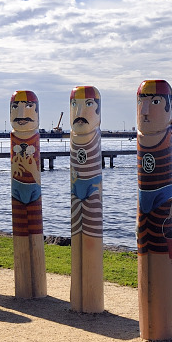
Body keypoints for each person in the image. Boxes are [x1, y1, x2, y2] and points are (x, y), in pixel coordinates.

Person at [136, 80, 172, 339]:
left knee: (160, 244)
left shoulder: (166, 138)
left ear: (170, 110)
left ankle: (160, 327)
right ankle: (149, 327)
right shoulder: (140, 140)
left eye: (155, 102)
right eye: (141, 101)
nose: (145, 110)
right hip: (143, 202)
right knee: (142, 243)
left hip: (162, 201)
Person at [69, 86, 104, 312]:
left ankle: (91, 300)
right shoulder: (73, 138)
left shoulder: (95, 137)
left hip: (91, 192)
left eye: (88, 104)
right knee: (77, 235)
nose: (80, 110)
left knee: (90, 235)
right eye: (74, 104)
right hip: (75, 192)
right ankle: (78, 300)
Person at [10, 90, 47, 298]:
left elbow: (35, 171)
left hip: (34, 189)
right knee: (21, 233)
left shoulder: (35, 138)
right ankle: (24, 287)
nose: (21, 112)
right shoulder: (13, 137)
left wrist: (32, 170)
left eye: (28, 106)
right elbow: (15, 168)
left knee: (34, 232)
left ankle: (37, 288)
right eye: (15, 106)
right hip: (17, 187)